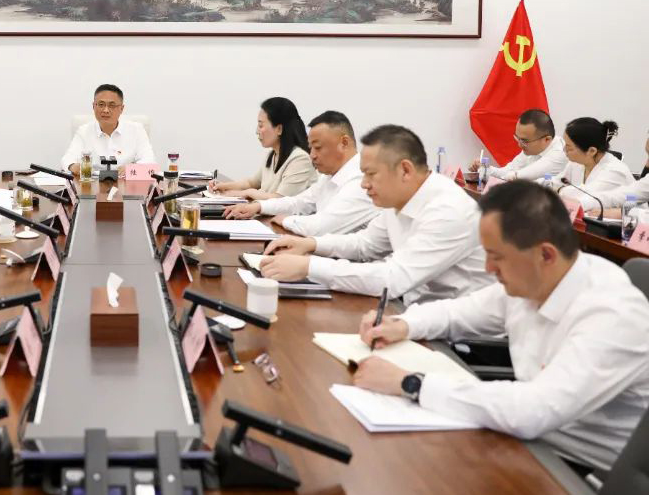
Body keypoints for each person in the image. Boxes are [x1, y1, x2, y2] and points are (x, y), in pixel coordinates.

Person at [352, 181, 649, 472]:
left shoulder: (612, 315)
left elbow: (533, 410)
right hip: (528, 441)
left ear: (545, 254)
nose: (488, 268)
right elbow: (460, 311)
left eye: (496, 257)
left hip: (579, 471)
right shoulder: (537, 277)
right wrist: (402, 324)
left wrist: (411, 383)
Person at [258, 125, 491, 304]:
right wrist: (310, 244)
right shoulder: (399, 199)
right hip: (413, 313)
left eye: (371, 174)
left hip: (459, 340)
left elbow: (392, 279)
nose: (364, 184)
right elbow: (365, 244)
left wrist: (309, 266)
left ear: (405, 170)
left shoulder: (448, 211)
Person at [224, 110, 378, 237]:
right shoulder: (329, 176)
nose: (312, 155)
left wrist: (286, 220)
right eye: (311, 148)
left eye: (318, 147)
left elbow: (322, 227)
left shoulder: (361, 180)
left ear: (344, 143)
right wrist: (258, 206)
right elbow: (299, 203)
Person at [209, 97, 317, 200]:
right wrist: (223, 186)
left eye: (261, 126)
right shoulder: (272, 154)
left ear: (279, 129)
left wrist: (247, 193)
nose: (257, 131)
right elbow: (251, 183)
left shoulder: (300, 159)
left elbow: (280, 199)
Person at [61, 84, 154, 174]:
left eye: (112, 105)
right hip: (93, 183)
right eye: (101, 104)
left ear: (122, 108)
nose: (106, 110)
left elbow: (150, 162)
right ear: (93, 106)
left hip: (125, 183)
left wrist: (130, 169)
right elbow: (68, 159)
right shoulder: (84, 131)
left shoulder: (137, 130)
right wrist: (73, 166)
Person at [547, 118, 634, 208]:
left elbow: (586, 196)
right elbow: (554, 183)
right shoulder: (577, 162)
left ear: (592, 151)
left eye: (569, 148)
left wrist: (560, 190)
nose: (564, 149)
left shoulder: (615, 171)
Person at [469, 109, 567, 181]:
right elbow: (508, 171)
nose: (519, 145)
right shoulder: (531, 148)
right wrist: (485, 169)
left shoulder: (559, 154)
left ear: (546, 139)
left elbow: (516, 177)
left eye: (524, 141)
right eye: (517, 138)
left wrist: (487, 174)